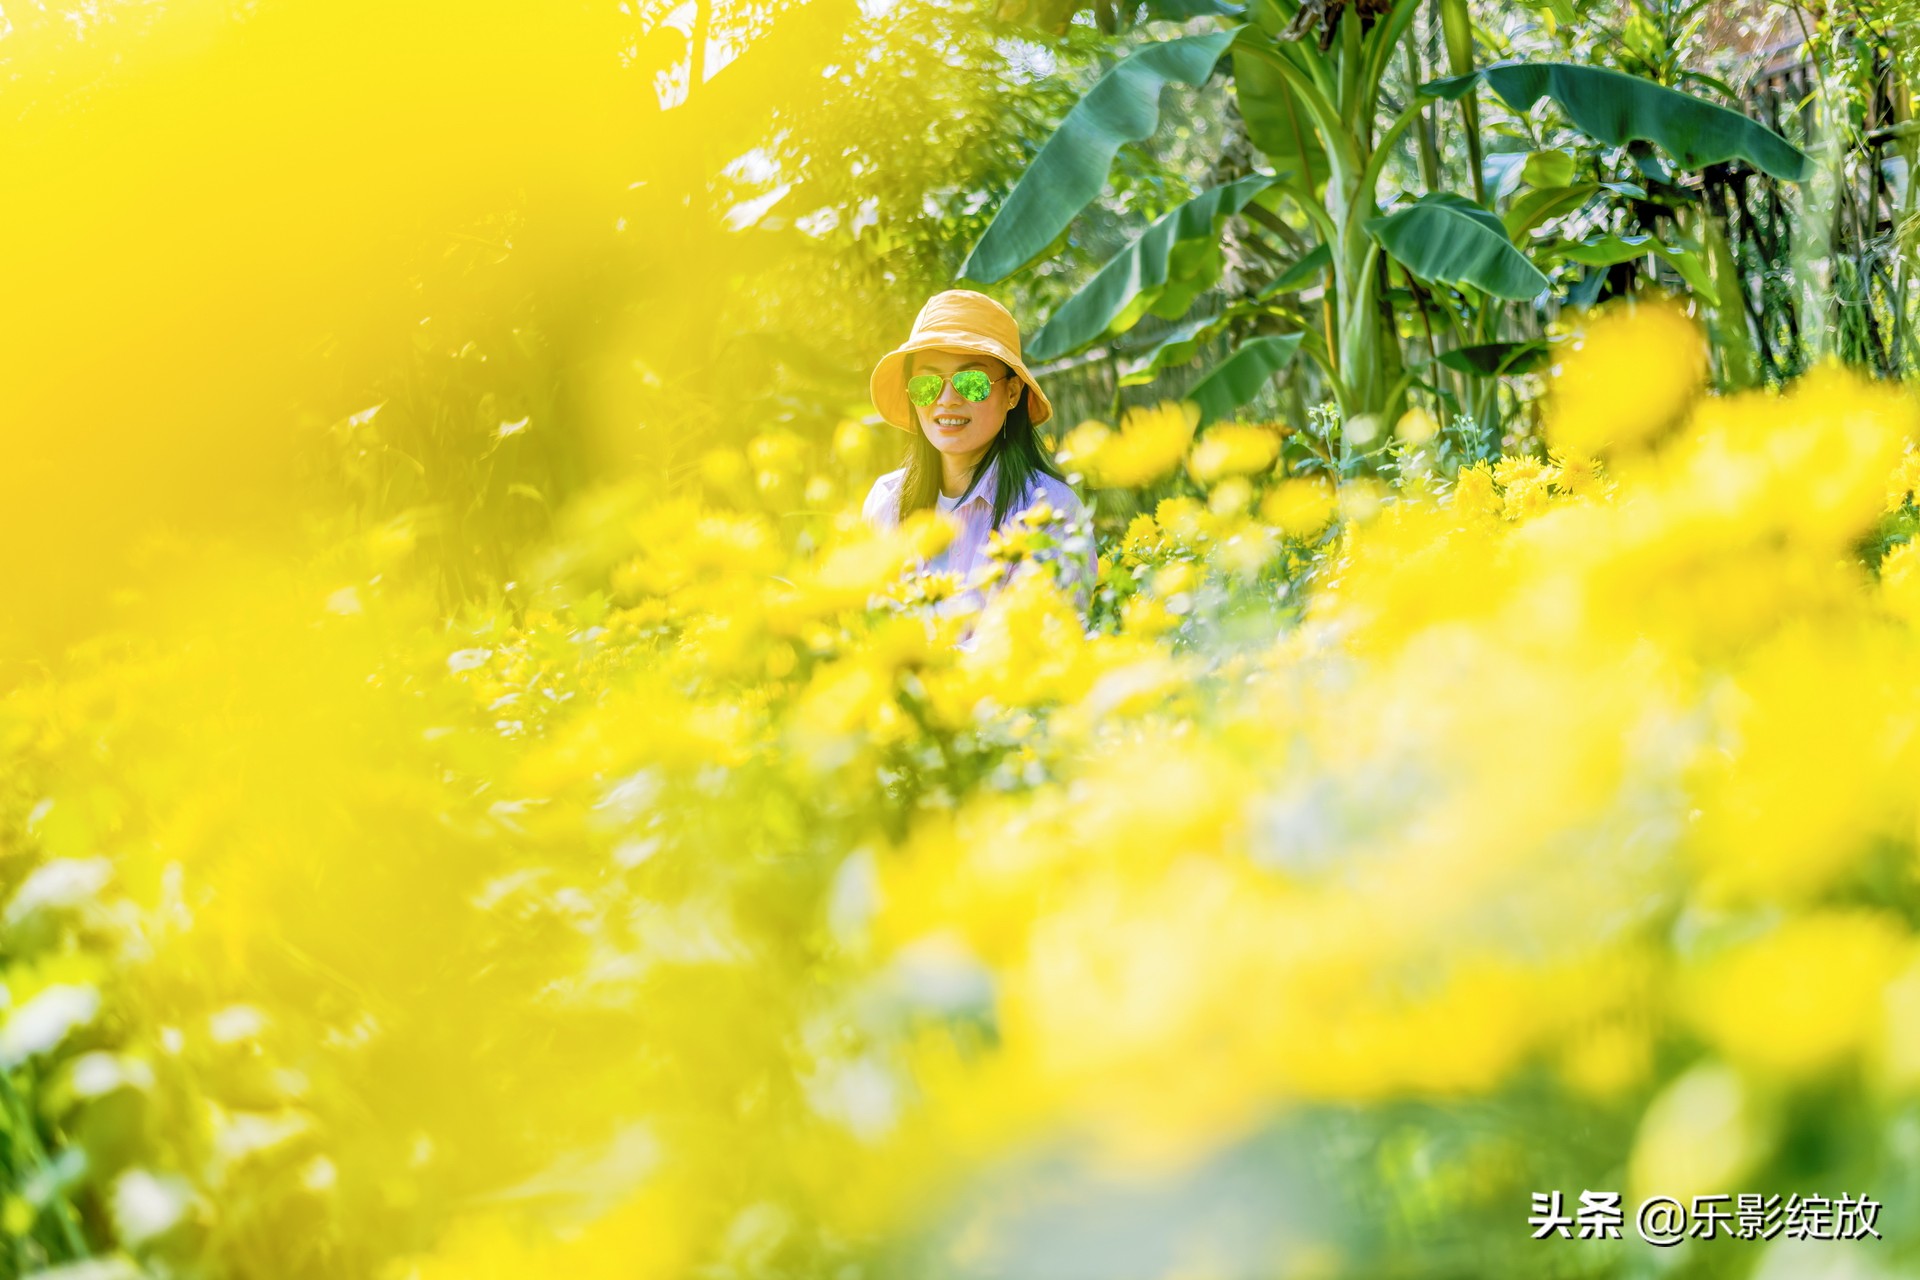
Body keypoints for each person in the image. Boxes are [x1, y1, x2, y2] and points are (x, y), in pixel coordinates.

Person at [861, 289, 1092, 618]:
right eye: (926, 384)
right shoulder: (885, 503)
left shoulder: (1050, 511)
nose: (947, 399)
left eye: (972, 382)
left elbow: (1037, 637)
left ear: (1012, 393)